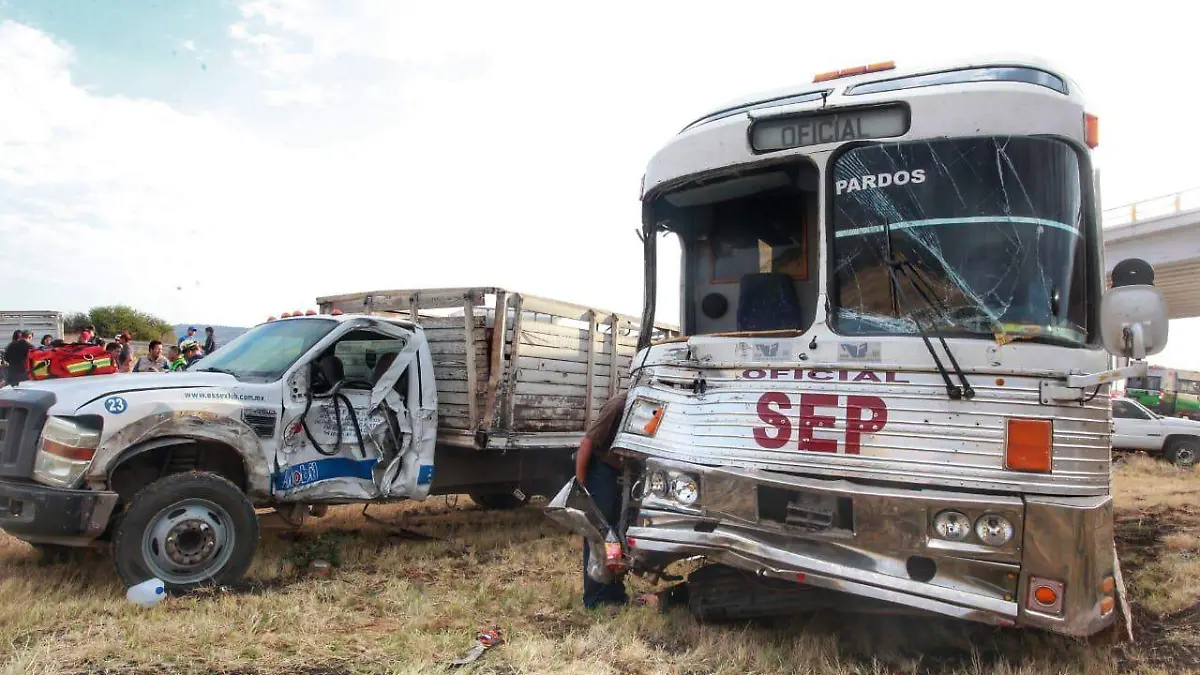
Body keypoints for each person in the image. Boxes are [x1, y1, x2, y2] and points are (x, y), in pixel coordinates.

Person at [575, 392, 631, 609]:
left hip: (625, 474)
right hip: (603, 471)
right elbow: (588, 442)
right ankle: (595, 597)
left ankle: (615, 591)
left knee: (618, 534)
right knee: (598, 533)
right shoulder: (618, 405)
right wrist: (581, 486)